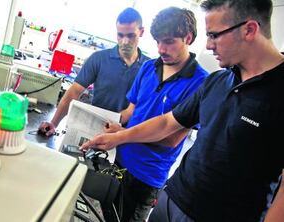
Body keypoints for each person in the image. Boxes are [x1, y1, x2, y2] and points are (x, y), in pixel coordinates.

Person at [81, 0, 284, 221]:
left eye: (214, 35)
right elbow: (168, 122)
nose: (208, 45)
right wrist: (118, 136)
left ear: (249, 30)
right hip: (172, 200)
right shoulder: (217, 81)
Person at [97, 7, 208, 222]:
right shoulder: (148, 67)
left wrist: (122, 134)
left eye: (168, 41)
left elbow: (172, 139)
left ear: (188, 37)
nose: (161, 49)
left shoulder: (200, 83)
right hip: (118, 159)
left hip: (146, 175)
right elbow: (131, 110)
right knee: (108, 215)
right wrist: (102, 121)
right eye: (157, 41)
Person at [38, 7, 149, 136]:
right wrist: (54, 123)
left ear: (141, 32)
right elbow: (74, 92)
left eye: (131, 36)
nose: (125, 41)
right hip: (95, 130)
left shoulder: (148, 68)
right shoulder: (99, 59)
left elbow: (139, 108)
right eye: (120, 35)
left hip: (127, 136)